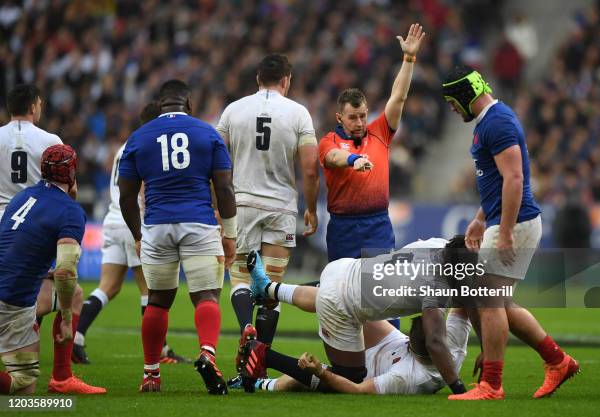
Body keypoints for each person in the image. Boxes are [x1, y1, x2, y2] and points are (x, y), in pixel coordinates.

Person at [442, 66, 579, 400]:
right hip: (508, 220)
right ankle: (557, 361)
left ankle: (492, 385)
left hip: (514, 223)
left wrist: (503, 233)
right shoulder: (492, 119)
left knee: (487, 301)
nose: (451, 108)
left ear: (464, 95)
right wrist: (479, 218)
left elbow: (515, 179)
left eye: (451, 101)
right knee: (498, 302)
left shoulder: (496, 122)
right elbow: (496, 180)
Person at [241, 236, 475, 396]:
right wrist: (459, 388)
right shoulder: (437, 289)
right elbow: (436, 338)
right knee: (348, 376)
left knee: (333, 297)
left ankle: (269, 290)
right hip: (341, 303)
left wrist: (488, 348)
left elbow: (465, 307)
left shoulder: (441, 245)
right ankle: (262, 354)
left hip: (343, 270)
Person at [118, 80, 236, 394]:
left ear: (160, 104)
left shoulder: (138, 138)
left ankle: (151, 375)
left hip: (157, 226)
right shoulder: (207, 133)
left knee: (158, 301)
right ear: (188, 104)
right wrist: (231, 234)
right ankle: (208, 354)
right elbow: (224, 188)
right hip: (198, 222)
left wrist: (138, 234)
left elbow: (126, 197)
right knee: (206, 296)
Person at [216, 53, 319, 382]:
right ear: (286, 80)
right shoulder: (298, 113)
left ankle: (245, 327)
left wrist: (219, 207)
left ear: (257, 79)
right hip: (281, 209)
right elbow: (309, 170)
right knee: (271, 289)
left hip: (242, 204)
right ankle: (254, 370)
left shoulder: (233, 110)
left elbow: (216, 162)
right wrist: (312, 207)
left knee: (241, 281)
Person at [0, 85, 101, 394]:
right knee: (67, 294)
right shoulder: (50, 142)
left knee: (37, 296)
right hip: (38, 226)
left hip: (12, 219)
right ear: (34, 107)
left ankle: (27, 352)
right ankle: (60, 375)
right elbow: (67, 269)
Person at [73, 102, 188, 365]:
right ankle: (160, 350)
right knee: (150, 290)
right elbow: (146, 190)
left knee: (108, 288)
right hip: (133, 222)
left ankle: (76, 338)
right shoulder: (150, 144)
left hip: (112, 220)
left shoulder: (125, 146)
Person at [318, 24, 425, 263]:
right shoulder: (329, 141)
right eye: (352, 117)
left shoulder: (380, 132)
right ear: (339, 118)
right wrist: (353, 160)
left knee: (378, 290)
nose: (359, 122)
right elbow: (333, 157)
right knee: (341, 294)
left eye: (363, 116)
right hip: (343, 227)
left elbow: (398, 97)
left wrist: (409, 58)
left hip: (377, 224)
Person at [250, 309, 471, 395]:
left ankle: (258, 377)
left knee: (295, 383)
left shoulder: (407, 377)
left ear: (413, 343)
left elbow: (357, 390)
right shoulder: (452, 344)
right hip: (393, 343)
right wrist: (490, 355)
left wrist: (321, 371)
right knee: (344, 302)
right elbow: (467, 302)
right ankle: (276, 290)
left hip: (366, 370)